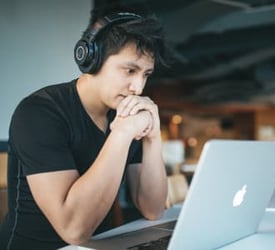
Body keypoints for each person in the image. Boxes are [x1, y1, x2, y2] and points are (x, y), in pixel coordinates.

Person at [0, 10, 169, 250]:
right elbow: (73, 229)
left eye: (146, 74)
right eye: (130, 71)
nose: (138, 87)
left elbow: (153, 209)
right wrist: (121, 134)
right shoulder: (39, 112)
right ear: (92, 59)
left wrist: (153, 137)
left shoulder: (125, 113)